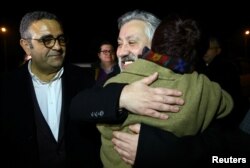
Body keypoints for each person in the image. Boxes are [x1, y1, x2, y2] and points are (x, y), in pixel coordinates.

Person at [0, 10, 184, 168]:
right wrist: (121, 96)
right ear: (26, 45)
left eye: (61, 39)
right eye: (47, 40)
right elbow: (82, 107)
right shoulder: (6, 86)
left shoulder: (191, 84)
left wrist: (162, 150)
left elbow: (213, 154)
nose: (57, 46)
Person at [97, 15, 233, 168]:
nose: (121, 52)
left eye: (132, 42)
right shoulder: (203, 87)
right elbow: (227, 104)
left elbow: (102, 125)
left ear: (153, 43)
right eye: (119, 43)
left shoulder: (115, 83)